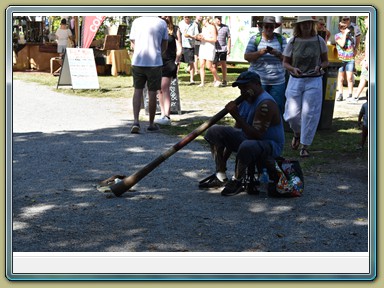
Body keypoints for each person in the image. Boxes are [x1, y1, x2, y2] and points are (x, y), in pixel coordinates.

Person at [198, 71, 285, 196]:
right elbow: (236, 130)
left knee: (247, 145)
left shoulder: (266, 104)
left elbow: (256, 135)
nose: (242, 90)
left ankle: (238, 180)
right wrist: (223, 161)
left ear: (257, 84)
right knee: (214, 131)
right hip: (249, 139)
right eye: (240, 88)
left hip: (269, 145)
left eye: (246, 86)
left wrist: (236, 115)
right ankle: (220, 176)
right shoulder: (245, 100)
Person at [282, 16, 329, 158]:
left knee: (310, 113)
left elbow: (326, 61)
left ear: (312, 24)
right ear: (299, 26)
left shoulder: (319, 40)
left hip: (314, 80)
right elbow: (285, 62)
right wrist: (292, 69)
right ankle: (297, 133)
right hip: (296, 79)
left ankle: (305, 145)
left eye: (309, 23)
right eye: (304, 24)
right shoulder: (293, 41)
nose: (307, 25)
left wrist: (320, 66)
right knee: (292, 115)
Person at [129, 16, 168, 133]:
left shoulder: (137, 21)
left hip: (138, 61)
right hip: (154, 62)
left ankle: (136, 121)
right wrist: (158, 53)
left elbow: (132, 41)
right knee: (152, 93)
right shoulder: (162, 23)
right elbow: (164, 44)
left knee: (137, 90)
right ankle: (151, 123)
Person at [244, 16, 287, 114]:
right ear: (262, 26)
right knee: (256, 107)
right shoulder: (255, 38)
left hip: (277, 81)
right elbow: (246, 56)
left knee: (277, 108)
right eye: (266, 26)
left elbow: (288, 59)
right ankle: (255, 128)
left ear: (274, 27)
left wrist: (278, 54)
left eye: (271, 27)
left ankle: (274, 128)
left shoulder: (281, 39)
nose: (268, 29)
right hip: (258, 81)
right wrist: (259, 53)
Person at [154, 16, 182, 126]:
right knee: (159, 89)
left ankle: (167, 115)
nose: (164, 17)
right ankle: (162, 113)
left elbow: (179, 47)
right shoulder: (156, 28)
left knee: (164, 87)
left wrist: (177, 61)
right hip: (157, 61)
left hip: (170, 61)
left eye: (166, 14)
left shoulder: (175, 29)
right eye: (161, 15)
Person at [335, 16, 361, 101]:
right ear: (339, 28)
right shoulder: (337, 36)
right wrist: (345, 34)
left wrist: (356, 49)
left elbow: (357, 40)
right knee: (341, 78)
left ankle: (350, 94)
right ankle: (340, 94)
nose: (344, 29)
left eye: (345, 27)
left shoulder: (351, 36)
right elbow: (342, 44)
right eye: (342, 27)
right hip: (341, 59)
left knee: (350, 78)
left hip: (350, 59)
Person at [197, 17, 221, 87]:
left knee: (209, 66)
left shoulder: (212, 27)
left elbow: (214, 39)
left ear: (206, 19)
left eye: (202, 20)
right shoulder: (203, 28)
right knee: (201, 65)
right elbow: (202, 37)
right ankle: (202, 82)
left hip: (210, 47)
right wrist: (199, 37)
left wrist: (205, 39)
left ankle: (218, 79)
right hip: (203, 47)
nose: (201, 21)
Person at [178, 16, 200, 84]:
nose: (186, 18)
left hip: (190, 46)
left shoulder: (194, 24)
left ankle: (192, 79)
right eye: (185, 17)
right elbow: (182, 34)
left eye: (188, 17)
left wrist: (192, 36)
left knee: (191, 63)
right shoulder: (180, 23)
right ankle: (175, 78)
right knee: (178, 62)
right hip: (181, 46)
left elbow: (197, 35)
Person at [353, 16, 369, 101]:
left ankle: (356, 96)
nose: (364, 23)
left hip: (369, 60)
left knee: (363, 77)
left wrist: (367, 60)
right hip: (367, 58)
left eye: (366, 22)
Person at [213, 16, 231, 87]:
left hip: (223, 48)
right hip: (214, 48)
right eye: (218, 18)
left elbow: (229, 37)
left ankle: (224, 80)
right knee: (214, 65)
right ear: (215, 19)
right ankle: (215, 80)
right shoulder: (212, 27)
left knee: (223, 64)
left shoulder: (225, 27)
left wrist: (229, 48)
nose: (219, 20)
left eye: (220, 18)